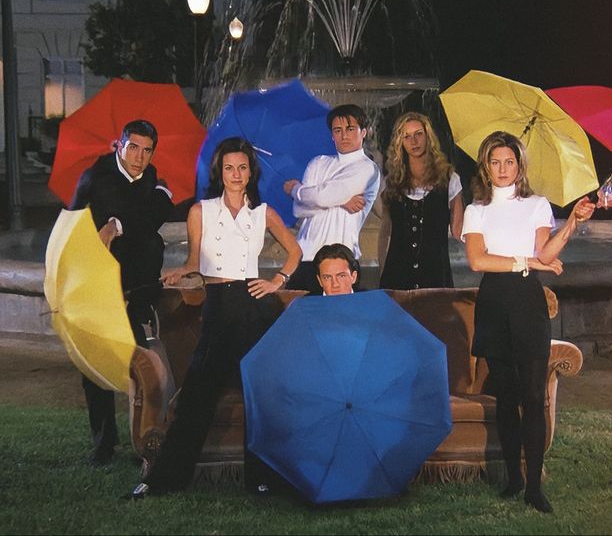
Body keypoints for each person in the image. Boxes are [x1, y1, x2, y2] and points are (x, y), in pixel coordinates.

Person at [129, 137, 301, 498]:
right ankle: (163, 481)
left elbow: (295, 251)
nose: (236, 174)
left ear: (250, 171)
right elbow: (196, 263)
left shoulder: (264, 212)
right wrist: (181, 273)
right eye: (229, 168)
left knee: (263, 394)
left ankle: (264, 480)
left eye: (242, 167)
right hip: (219, 306)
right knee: (195, 397)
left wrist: (277, 281)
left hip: (254, 307)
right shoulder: (200, 211)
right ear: (219, 172)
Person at [461, 131, 594, 513]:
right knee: (505, 395)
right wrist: (529, 262)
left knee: (534, 396)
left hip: (527, 302)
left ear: (519, 166)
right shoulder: (477, 209)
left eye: (509, 162)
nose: (502, 169)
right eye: (495, 162)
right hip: (495, 300)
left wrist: (571, 225)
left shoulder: (537, 205)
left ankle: (534, 486)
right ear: (485, 167)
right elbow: (477, 260)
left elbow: (545, 251)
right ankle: (513, 479)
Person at [69, 119, 173, 467]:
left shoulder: (152, 178)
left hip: (138, 287)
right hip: (99, 282)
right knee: (95, 365)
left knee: (142, 363)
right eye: (133, 147)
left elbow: (153, 219)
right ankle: (103, 442)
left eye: (146, 150)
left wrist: (118, 223)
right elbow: (75, 225)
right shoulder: (95, 178)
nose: (139, 157)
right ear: (119, 145)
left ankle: (145, 439)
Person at [283, 104, 381, 294]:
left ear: (364, 132)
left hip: (339, 262)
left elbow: (320, 196)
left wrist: (296, 189)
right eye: (338, 130)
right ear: (332, 135)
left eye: (350, 129)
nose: (344, 135)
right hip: (303, 258)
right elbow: (299, 209)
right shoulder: (318, 163)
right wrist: (341, 202)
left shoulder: (366, 168)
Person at [378, 112, 464, 290]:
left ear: (428, 136)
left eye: (418, 134)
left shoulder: (449, 179)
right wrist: (382, 270)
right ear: (400, 142)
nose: (413, 141)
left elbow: (458, 230)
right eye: (406, 136)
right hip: (397, 273)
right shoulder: (391, 182)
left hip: (435, 273)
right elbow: (386, 231)